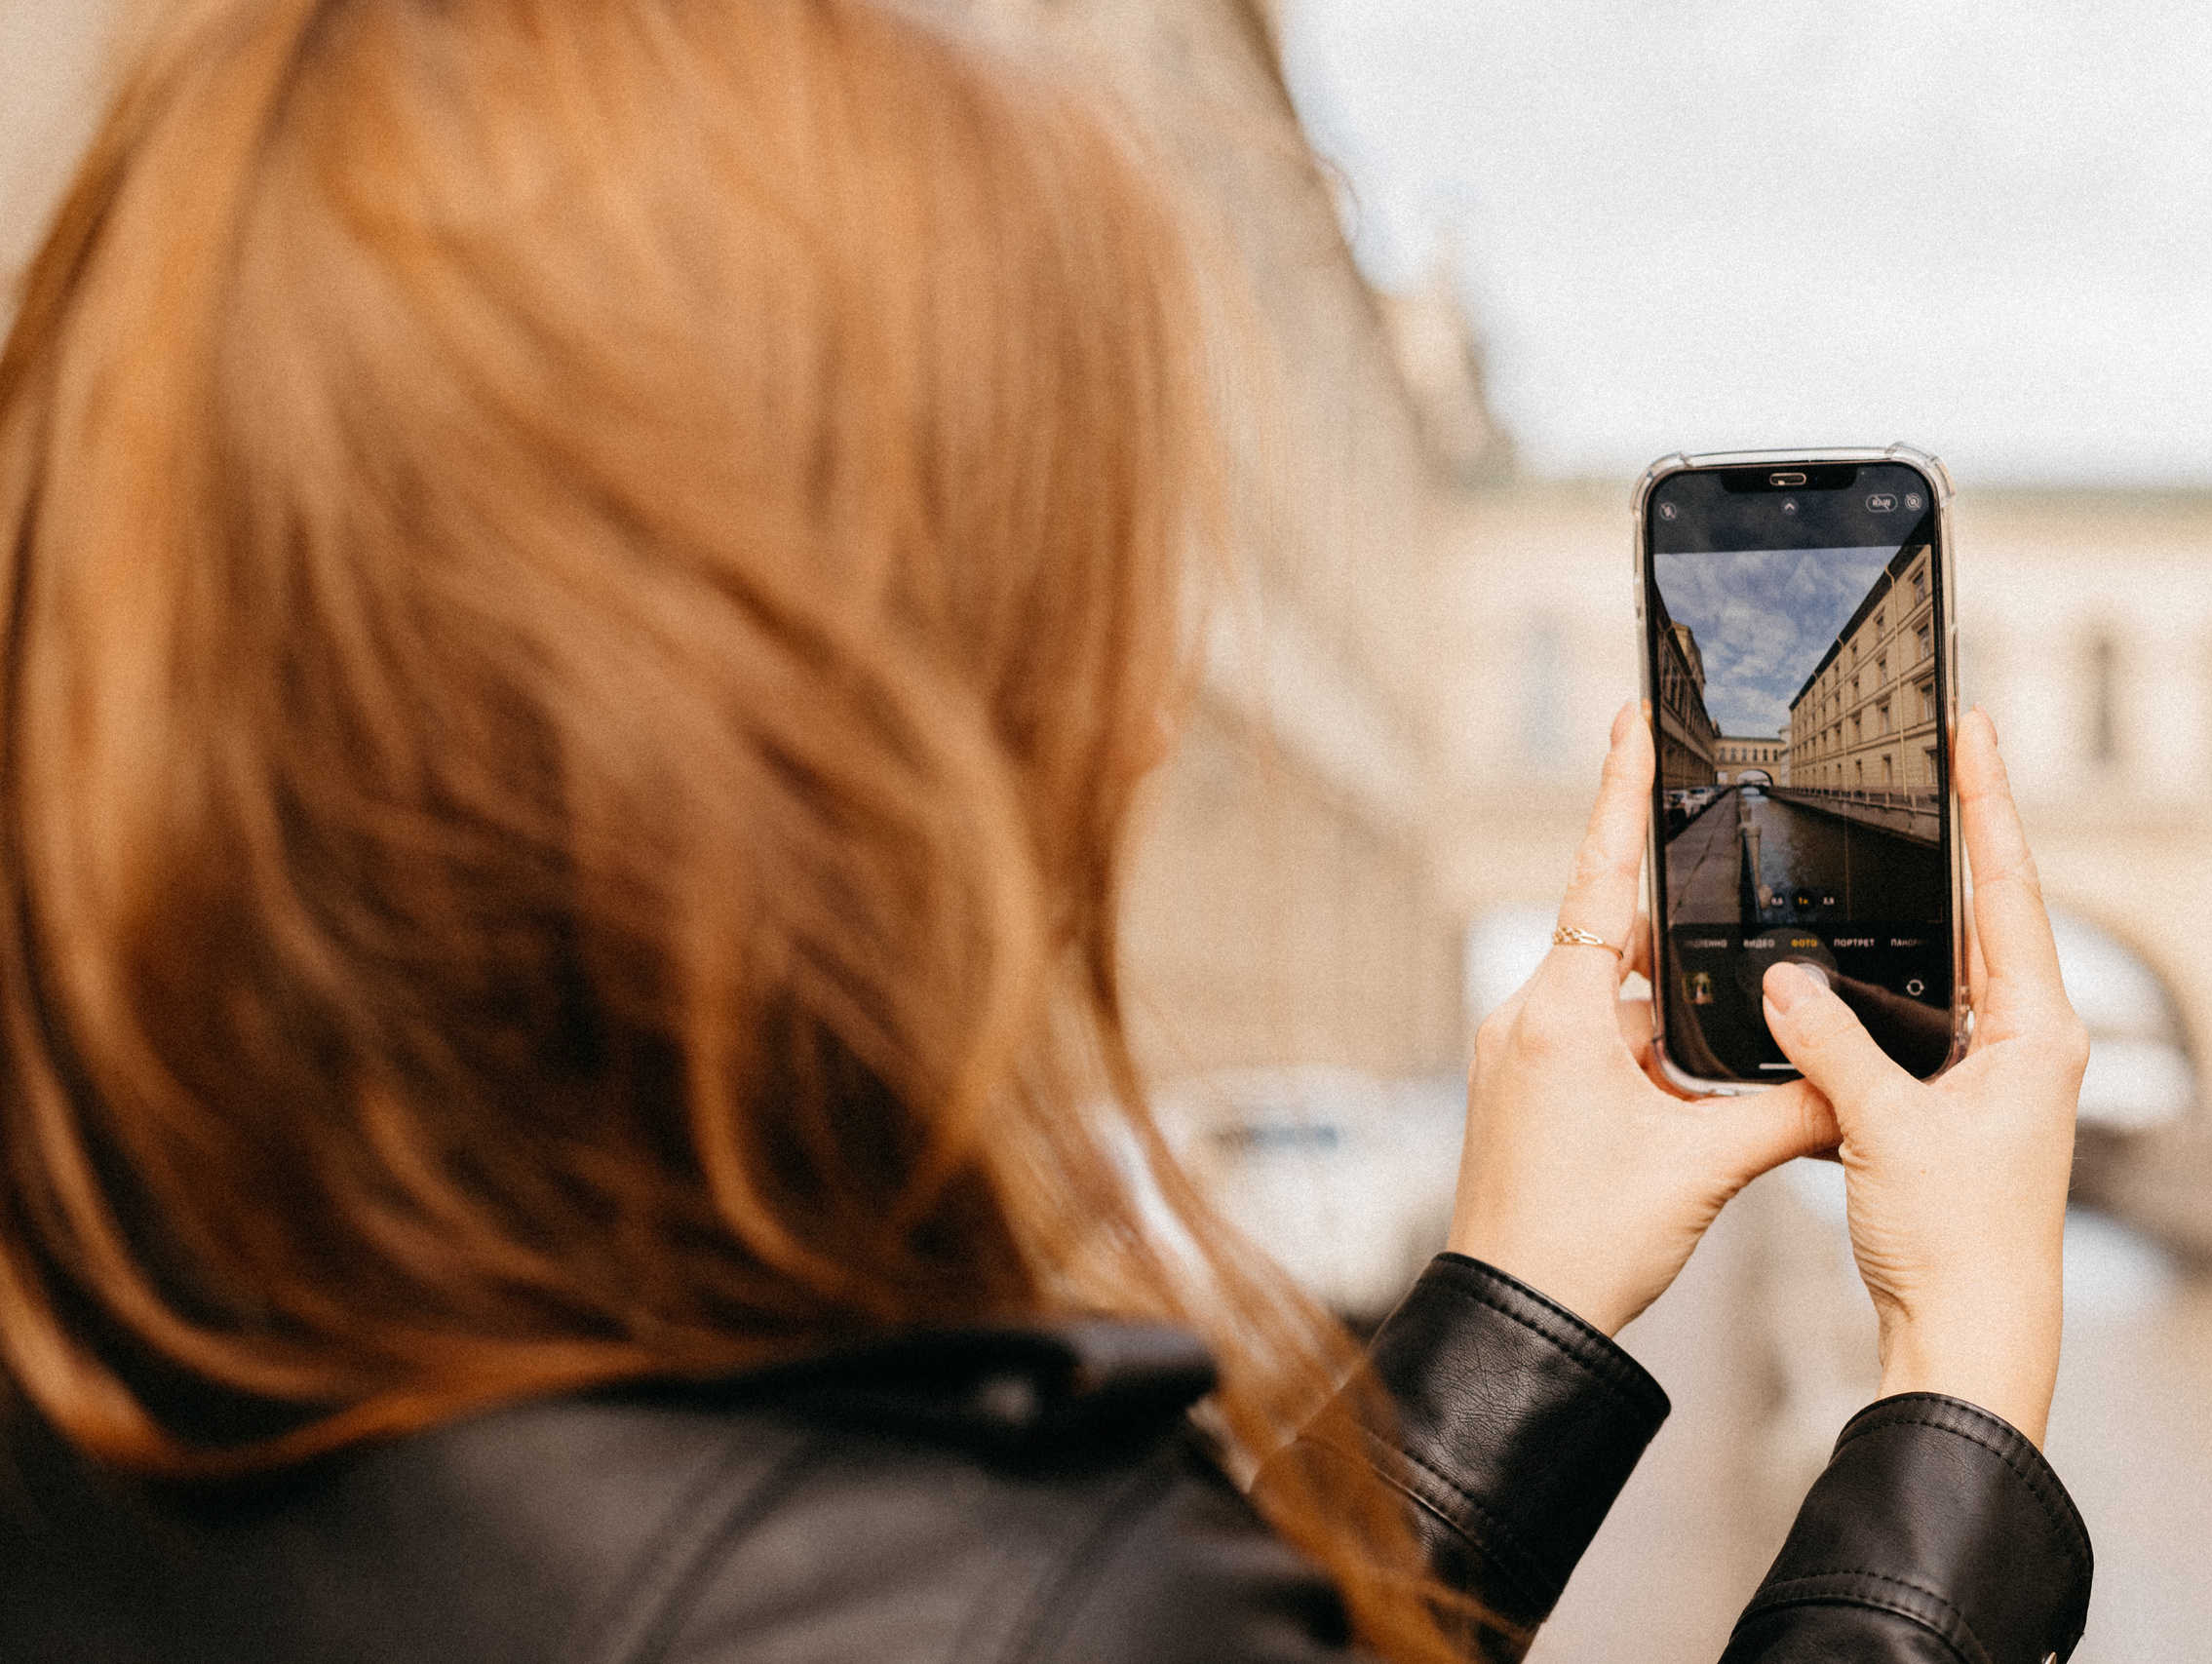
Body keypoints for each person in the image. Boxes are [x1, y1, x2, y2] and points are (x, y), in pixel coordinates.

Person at [0, 1, 2093, 1660]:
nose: (1147, 710)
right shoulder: (1013, 1599)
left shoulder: (122, 1380)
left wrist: (1520, 1288)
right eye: (1074, 584)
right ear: (796, 693)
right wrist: (1958, 1403)